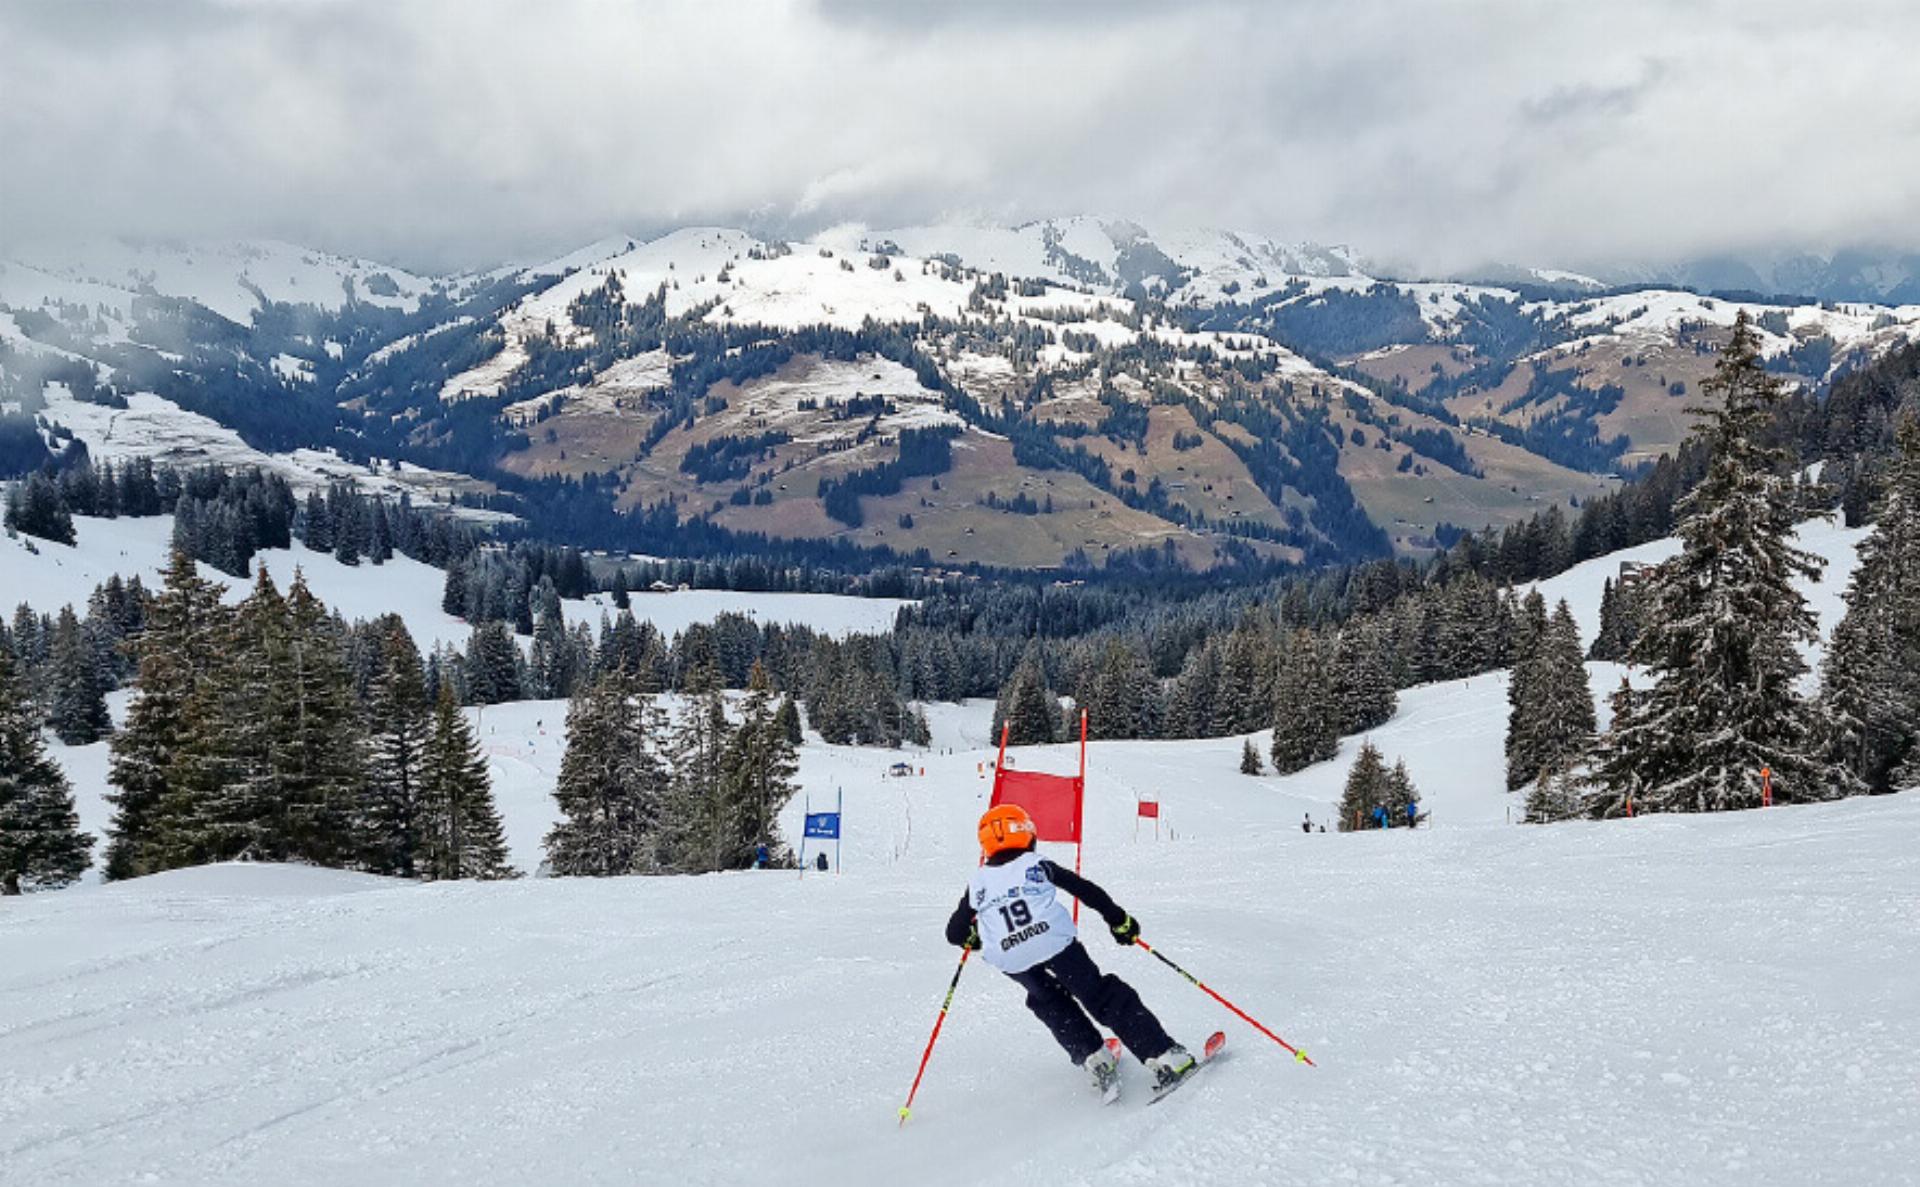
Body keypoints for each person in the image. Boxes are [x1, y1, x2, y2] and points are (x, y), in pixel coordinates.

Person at [945, 804, 1195, 1099]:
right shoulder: (1034, 863)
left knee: (1049, 1001)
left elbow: (954, 934)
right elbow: (1085, 889)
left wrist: (974, 938)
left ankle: (1096, 1060)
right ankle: (1165, 1056)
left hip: (1010, 956)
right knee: (1098, 994)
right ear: (1026, 833)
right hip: (1052, 939)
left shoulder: (978, 882)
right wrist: (1118, 920)